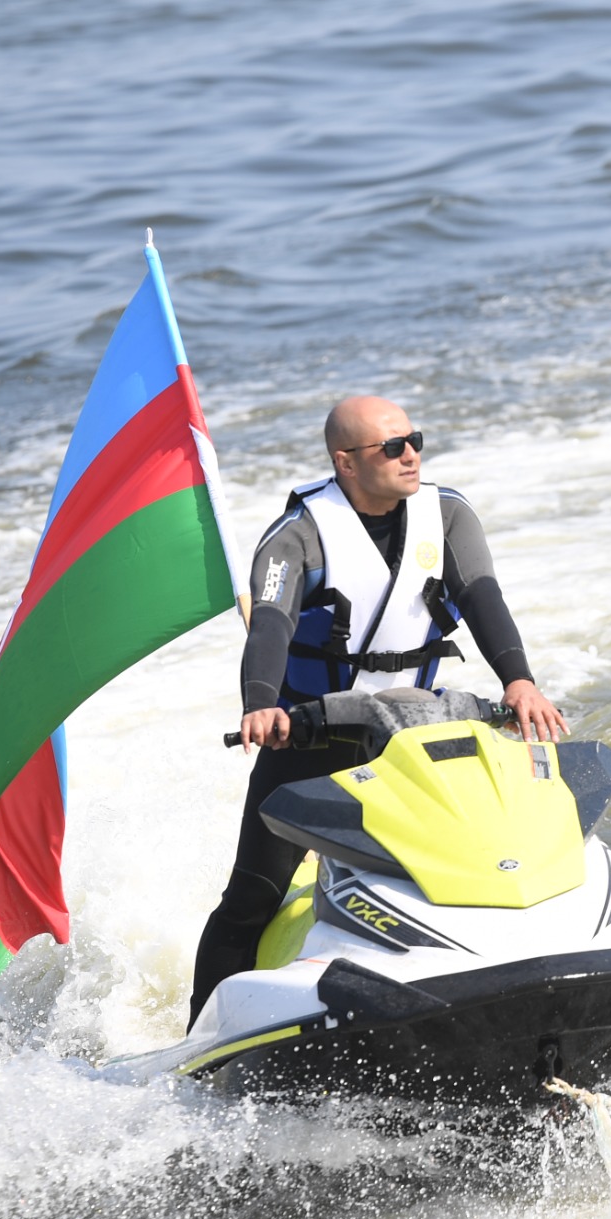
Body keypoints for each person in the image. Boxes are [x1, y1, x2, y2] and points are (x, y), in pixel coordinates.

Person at [186, 394, 566, 1024]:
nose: (410, 453)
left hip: (414, 731)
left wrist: (519, 681)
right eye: (392, 447)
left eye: (414, 438)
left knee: (487, 855)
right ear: (347, 462)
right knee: (252, 897)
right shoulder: (296, 535)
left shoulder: (445, 515)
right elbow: (271, 625)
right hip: (305, 738)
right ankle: (200, 1037)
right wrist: (261, 705)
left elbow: (483, 598)